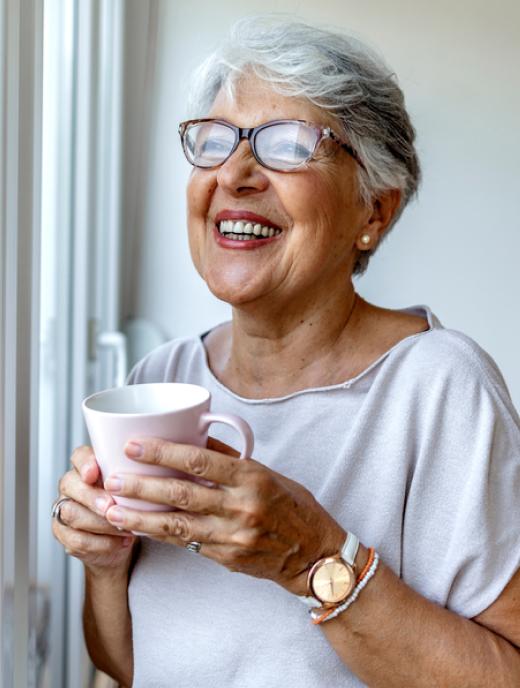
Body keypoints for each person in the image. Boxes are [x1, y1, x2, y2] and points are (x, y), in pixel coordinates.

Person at [52, 15, 520, 688]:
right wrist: (105, 560)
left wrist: (312, 560)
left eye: (290, 145)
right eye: (214, 142)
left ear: (374, 212)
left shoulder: (442, 387)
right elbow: (125, 664)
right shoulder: (162, 379)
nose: (235, 173)